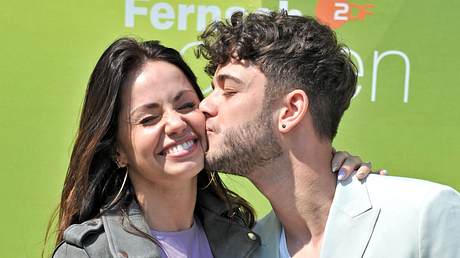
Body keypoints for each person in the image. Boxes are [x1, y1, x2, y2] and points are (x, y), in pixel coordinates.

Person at [49, 37, 372, 258]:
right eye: (149, 119)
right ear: (117, 152)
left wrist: (337, 179)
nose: (175, 124)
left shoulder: (249, 239)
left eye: (186, 104)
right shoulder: (89, 252)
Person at [197, 10, 460, 258]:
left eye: (229, 90)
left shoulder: (423, 215)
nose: (204, 106)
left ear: (290, 110)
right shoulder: (249, 250)